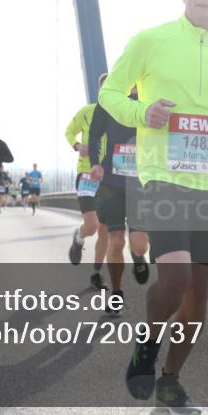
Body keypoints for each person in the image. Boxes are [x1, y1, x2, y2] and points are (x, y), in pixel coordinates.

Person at [99, 0, 208, 415]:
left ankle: (170, 381)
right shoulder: (150, 40)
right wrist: (142, 112)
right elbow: (111, 93)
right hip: (164, 178)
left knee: (197, 298)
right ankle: (147, 346)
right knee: (175, 280)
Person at [88, 83, 151, 313]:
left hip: (141, 183)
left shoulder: (152, 96)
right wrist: (95, 163)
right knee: (116, 241)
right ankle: (116, 294)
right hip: (112, 183)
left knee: (140, 244)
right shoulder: (109, 99)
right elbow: (94, 134)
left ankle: (139, 256)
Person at [67, 75, 110, 290]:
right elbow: (69, 131)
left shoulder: (122, 115)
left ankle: (96, 274)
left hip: (110, 178)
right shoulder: (87, 111)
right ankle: (79, 237)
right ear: (100, 91)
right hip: (86, 173)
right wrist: (76, 145)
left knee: (105, 229)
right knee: (92, 226)